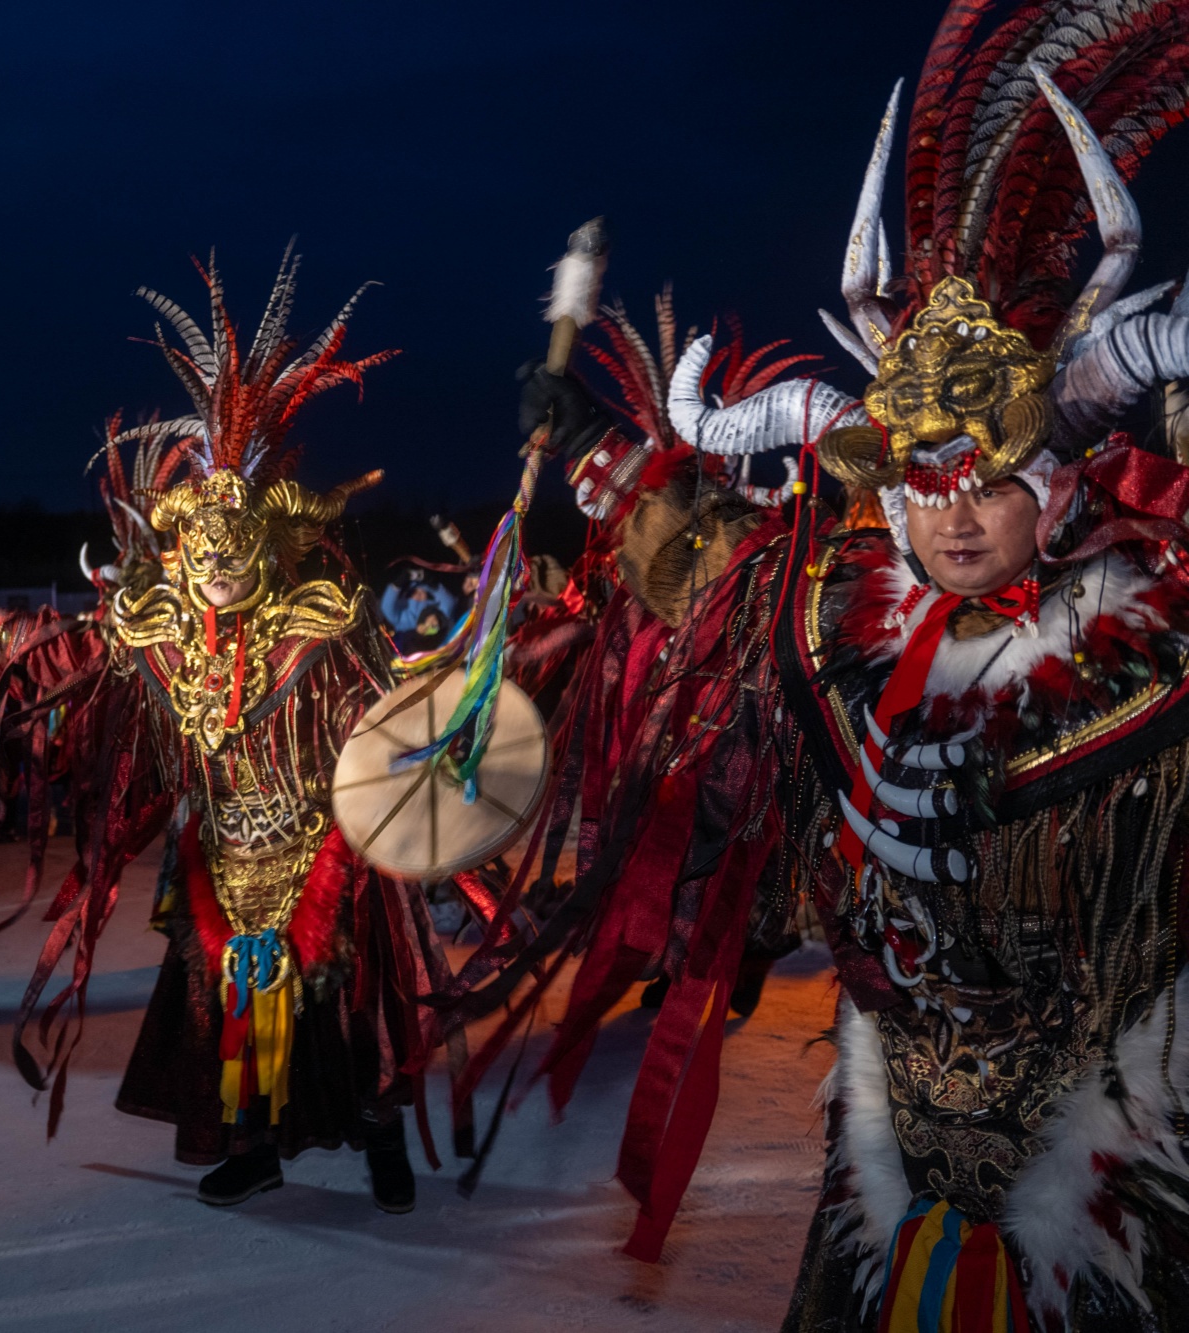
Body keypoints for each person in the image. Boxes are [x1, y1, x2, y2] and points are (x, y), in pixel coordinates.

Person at [471, 6, 1189, 1325]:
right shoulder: (835, 630)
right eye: (920, 482)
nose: (952, 514)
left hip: (1107, 1143)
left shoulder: (1156, 649)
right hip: (890, 1139)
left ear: (1060, 479)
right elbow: (694, 566)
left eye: (987, 482)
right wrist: (585, 450)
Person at [1, 249, 451, 1214]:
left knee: (346, 1001)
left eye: (232, 542)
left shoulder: (319, 627)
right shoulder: (162, 639)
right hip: (222, 847)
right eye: (196, 545)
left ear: (269, 546)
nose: (212, 558)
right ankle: (254, 1143)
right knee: (232, 1003)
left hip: (319, 840)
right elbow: (123, 716)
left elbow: (381, 724)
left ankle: (378, 1132)